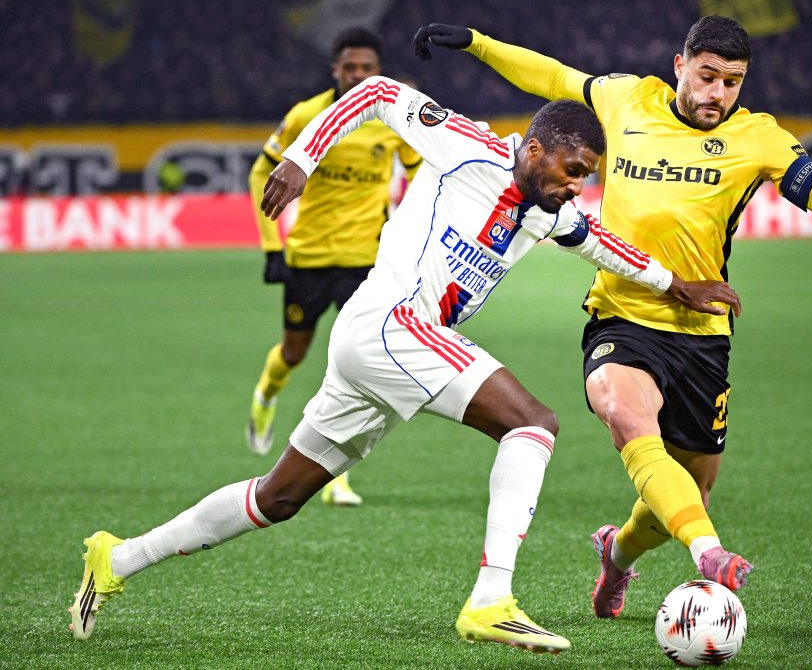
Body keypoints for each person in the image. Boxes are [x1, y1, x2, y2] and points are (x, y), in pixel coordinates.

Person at [69, 76, 742, 653]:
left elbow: (600, 244)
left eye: (586, 177)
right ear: (535, 149)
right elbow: (377, 92)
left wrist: (676, 285)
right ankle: (491, 599)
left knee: (278, 497)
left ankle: (117, 557)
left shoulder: (547, 211)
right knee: (533, 423)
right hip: (392, 324)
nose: (577, 186)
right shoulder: (467, 146)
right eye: (572, 170)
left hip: (383, 346)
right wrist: (303, 158)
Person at [414, 16, 812, 617]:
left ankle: (617, 554)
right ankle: (708, 553)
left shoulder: (760, 138)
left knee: (688, 490)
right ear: (680, 66)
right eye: (707, 76)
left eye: (732, 82)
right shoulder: (628, 98)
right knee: (627, 416)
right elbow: (551, 76)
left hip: (702, 334)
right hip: (621, 316)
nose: (717, 93)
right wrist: (477, 43)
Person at [246, 27, 422, 507]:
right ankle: (265, 395)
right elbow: (261, 169)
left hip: (365, 262)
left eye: (367, 68)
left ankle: (334, 476)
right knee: (294, 352)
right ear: (335, 70)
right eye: (350, 68)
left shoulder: (393, 120)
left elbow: (421, 172)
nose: (358, 75)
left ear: (379, 71)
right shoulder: (307, 115)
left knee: (353, 365)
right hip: (308, 257)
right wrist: (271, 245)